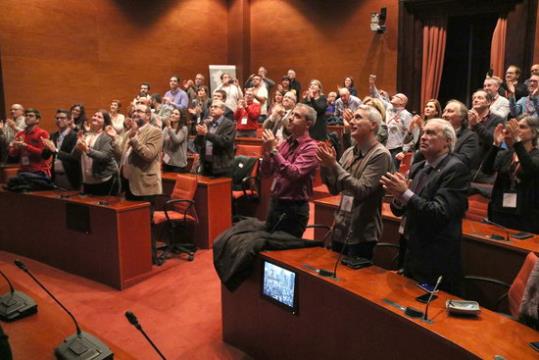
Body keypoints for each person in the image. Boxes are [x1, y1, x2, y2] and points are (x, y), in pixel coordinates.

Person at [381, 118, 471, 293]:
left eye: (431, 133)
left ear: (448, 142)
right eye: (423, 133)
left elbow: (439, 212)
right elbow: (399, 211)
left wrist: (405, 193)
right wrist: (399, 196)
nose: (423, 137)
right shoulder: (418, 167)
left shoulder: (455, 169)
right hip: (410, 247)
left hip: (435, 255)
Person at [318, 104, 393, 259]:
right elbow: (334, 189)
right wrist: (326, 167)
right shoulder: (349, 152)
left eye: (358, 117)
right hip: (340, 228)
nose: (352, 121)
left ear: (373, 125)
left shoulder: (380, 155)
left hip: (361, 235)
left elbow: (361, 190)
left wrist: (334, 165)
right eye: (352, 117)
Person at [261, 103, 318, 237]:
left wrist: (274, 151)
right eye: (291, 114)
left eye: (297, 116)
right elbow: (266, 172)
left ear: (308, 124)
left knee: (285, 252)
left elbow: (294, 173)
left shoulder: (312, 147)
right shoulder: (285, 143)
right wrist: (267, 152)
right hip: (275, 203)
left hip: (294, 208)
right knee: (268, 248)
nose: (291, 118)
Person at [481, 116, 539, 234]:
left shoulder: (536, 155)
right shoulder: (506, 154)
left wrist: (517, 142)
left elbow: (529, 170)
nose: (516, 130)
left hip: (526, 215)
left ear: (533, 133)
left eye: (522, 127)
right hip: (500, 211)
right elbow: (486, 170)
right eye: (515, 127)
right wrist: (496, 144)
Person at [121, 103, 164, 203]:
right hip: (128, 182)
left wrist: (134, 138)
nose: (135, 113)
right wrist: (113, 138)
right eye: (134, 111)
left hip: (145, 186)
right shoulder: (129, 132)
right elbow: (121, 154)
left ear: (148, 115)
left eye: (139, 111)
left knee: (146, 217)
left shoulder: (155, 132)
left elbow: (149, 155)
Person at [73, 110, 118, 195]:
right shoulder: (86, 135)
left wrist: (87, 150)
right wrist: (77, 145)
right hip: (87, 180)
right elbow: (74, 156)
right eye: (94, 115)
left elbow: (105, 157)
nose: (95, 117)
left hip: (103, 180)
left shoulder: (106, 136)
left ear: (105, 122)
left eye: (99, 117)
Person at [41, 109, 81, 190]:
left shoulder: (75, 136)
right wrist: (46, 148)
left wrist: (55, 150)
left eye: (62, 118)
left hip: (70, 176)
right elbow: (45, 156)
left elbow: (73, 158)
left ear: (70, 120)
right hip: (55, 175)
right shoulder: (53, 135)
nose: (59, 120)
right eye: (57, 118)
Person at [195, 100, 236, 177]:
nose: (212, 109)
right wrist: (200, 135)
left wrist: (207, 134)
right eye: (211, 107)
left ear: (223, 110)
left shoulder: (229, 124)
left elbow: (225, 142)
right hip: (206, 164)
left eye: (215, 107)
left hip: (221, 166)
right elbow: (199, 144)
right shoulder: (207, 123)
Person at [8, 108, 51, 177]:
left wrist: (26, 146)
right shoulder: (20, 134)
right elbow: (12, 154)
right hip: (23, 170)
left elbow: (43, 154)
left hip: (39, 171)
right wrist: (16, 148)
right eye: (26, 115)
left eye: (31, 116)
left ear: (37, 120)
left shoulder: (42, 133)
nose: (27, 117)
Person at [440, 100, 480, 170]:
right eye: (444, 112)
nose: (445, 115)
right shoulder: (436, 133)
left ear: (462, 117)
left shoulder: (470, 136)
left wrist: (440, 152)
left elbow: (464, 160)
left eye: (450, 111)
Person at [162, 109, 189, 173]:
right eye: (172, 113)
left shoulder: (183, 129)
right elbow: (161, 141)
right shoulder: (166, 128)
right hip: (167, 161)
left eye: (176, 114)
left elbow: (176, 141)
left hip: (178, 165)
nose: (173, 115)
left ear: (180, 118)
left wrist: (169, 127)